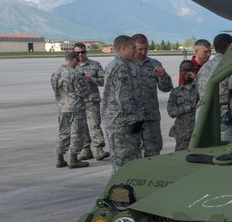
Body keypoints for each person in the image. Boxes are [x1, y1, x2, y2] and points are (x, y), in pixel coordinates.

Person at [196, 33, 232, 145]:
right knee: (229, 155)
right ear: (229, 46)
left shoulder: (204, 68)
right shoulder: (230, 66)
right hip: (224, 123)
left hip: (203, 120)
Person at [101, 35, 143, 170]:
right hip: (121, 123)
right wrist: (133, 120)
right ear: (124, 48)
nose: (135, 51)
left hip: (115, 121)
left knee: (124, 158)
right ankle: (120, 189)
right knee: (123, 160)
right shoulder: (121, 67)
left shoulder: (114, 65)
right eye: (133, 47)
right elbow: (123, 97)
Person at [131, 33, 173, 157]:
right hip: (132, 116)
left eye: (146, 48)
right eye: (140, 49)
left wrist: (163, 76)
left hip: (150, 116)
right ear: (133, 47)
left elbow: (166, 88)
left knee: (153, 149)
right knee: (132, 151)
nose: (143, 52)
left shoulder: (154, 63)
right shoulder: (126, 65)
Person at [50, 50, 89, 168]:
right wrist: (86, 83)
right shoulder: (75, 74)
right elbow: (84, 92)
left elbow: (56, 91)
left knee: (63, 132)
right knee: (77, 132)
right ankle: (73, 158)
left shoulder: (56, 74)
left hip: (62, 107)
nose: (78, 62)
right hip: (75, 107)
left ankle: (59, 157)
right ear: (73, 59)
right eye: (77, 60)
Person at [72, 41, 109, 161]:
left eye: (83, 52)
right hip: (77, 101)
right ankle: (85, 149)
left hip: (92, 100)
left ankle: (99, 149)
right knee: (80, 126)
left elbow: (104, 81)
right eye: (78, 53)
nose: (80, 55)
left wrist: (91, 79)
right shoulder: (71, 67)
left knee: (94, 125)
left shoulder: (95, 65)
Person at [167, 60, 199, 151]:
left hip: (197, 132)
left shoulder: (200, 88)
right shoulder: (176, 92)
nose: (186, 73)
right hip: (182, 134)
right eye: (183, 70)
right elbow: (171, 112)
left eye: (189, 70)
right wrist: (188, 108)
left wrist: (196, 79)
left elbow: (208, 90)